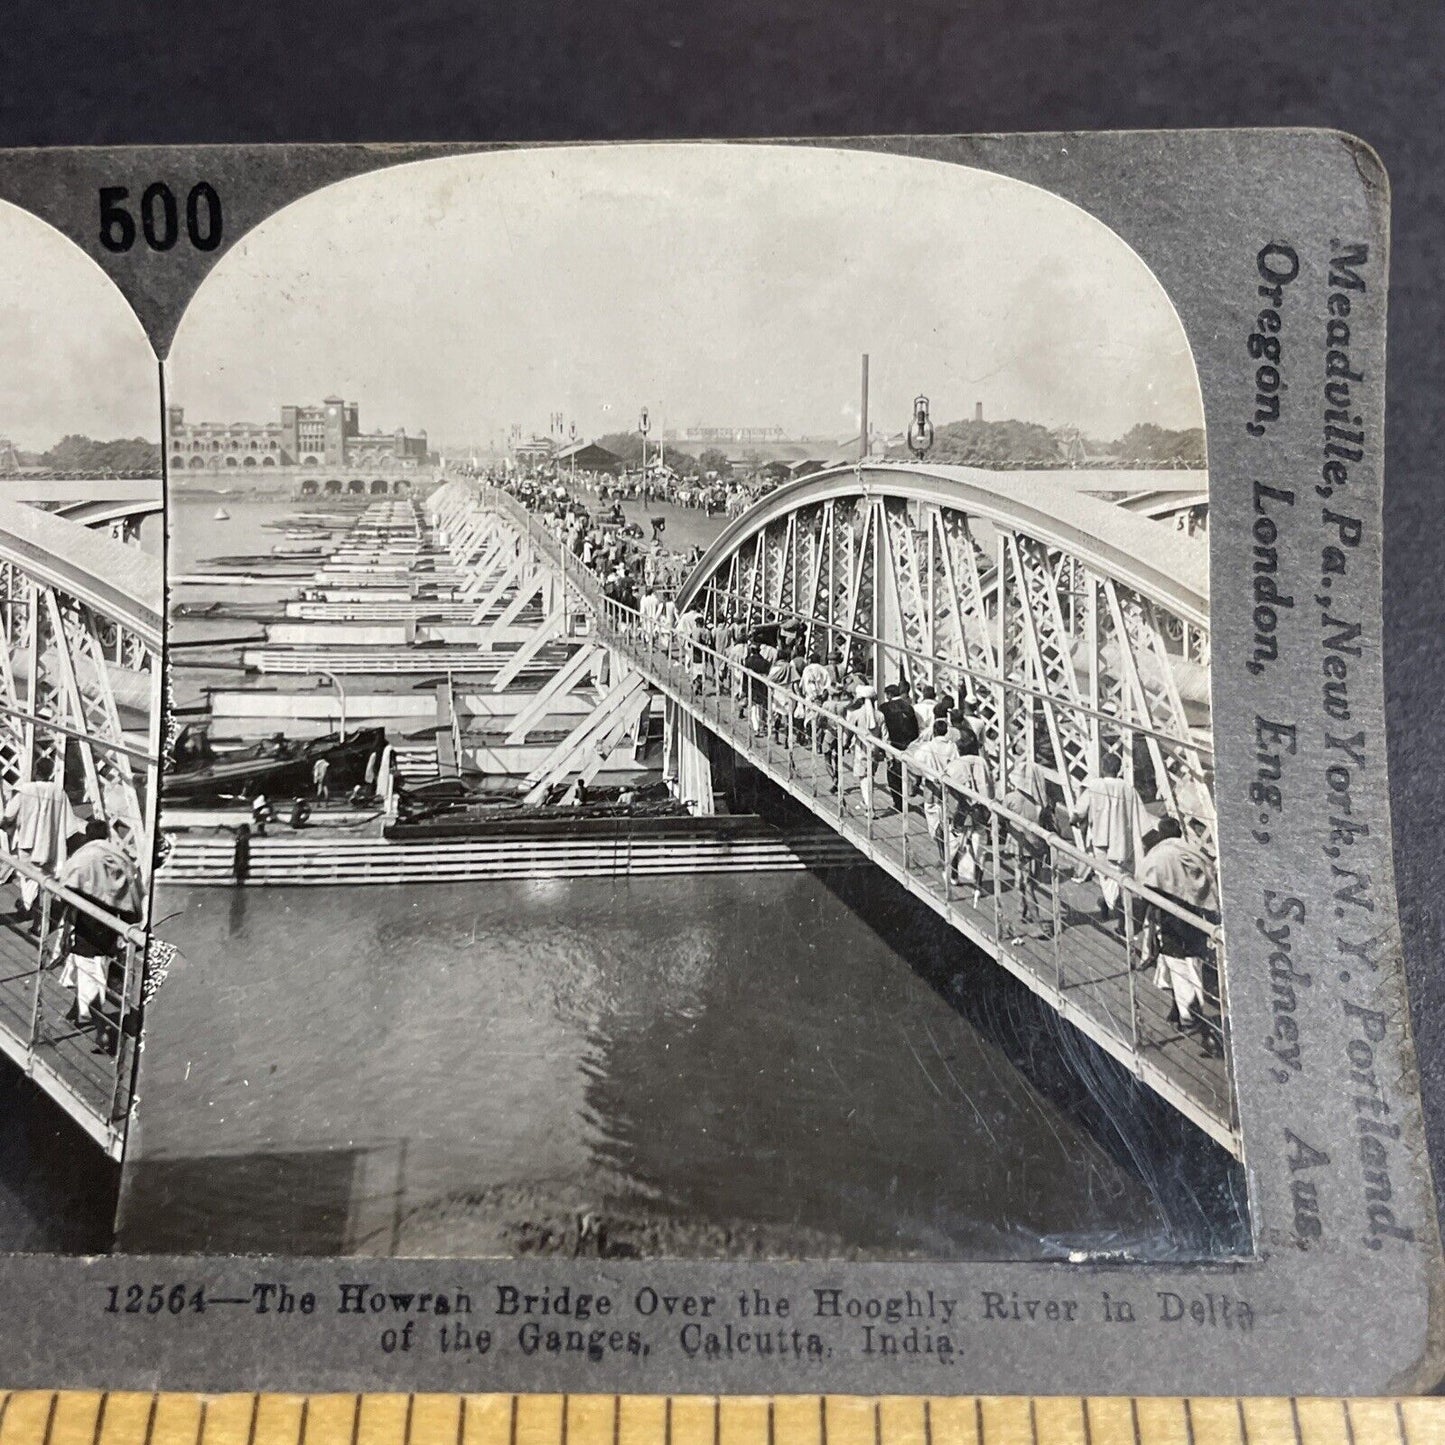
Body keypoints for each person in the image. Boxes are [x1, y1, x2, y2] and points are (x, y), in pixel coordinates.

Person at [58, 819, 142, 1054]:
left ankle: (101, 1031)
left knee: (88, 976)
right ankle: (75, 1011)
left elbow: (65, 888)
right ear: (107, 835)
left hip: (85, 926)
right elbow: (134, 890)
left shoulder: (81, 857)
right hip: (109, 926)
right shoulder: (119, 857)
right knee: (93, 971)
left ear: (86, 835)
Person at [1140, 818, 1221, 1055]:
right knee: (1191, 965)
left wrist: (1140, 920)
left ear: (1162, 834)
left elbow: (1145, 886)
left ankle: (1196, 1024)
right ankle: (1180, 1009)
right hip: (1194, 915)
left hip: (1171, 920)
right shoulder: (1190, 849)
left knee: (1177, 967)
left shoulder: (1160, 854)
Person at [1069, 752, 1149, 926]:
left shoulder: (1095, 786)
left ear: (1103, 768)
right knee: (1121, 878)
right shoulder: (1129, 789)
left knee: (1107, 878)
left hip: (1101, 842)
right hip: (1123, 842)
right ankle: (1118, 915)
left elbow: (1079, 811)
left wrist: (1074, 822)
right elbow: (1142, 819)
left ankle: (1111, 906)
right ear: (1118, 769)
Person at [2, 758, 78, 925]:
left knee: (29, 878)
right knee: (47, 881)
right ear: (51, 773)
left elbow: (8, 817)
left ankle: (33, 913)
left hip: (27, 844)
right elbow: (70, 824)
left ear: (36, 771)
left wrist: (8, 827)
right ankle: (40, 918)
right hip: (51, 845)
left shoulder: (24, 790)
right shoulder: (59, 792)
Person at [1002, 762, 1055, 940]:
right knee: (1029, 880)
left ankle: (1037, 922)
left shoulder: (1011, 798)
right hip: (1038, 847)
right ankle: (1022, 909)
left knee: (1027, 885)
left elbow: (1001, 819)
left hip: (1019, 845)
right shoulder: (1043, 801)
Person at [944, 728, 992, 901]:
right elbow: (989, 783)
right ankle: (978, 886)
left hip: (962, 811)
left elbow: (946, 783)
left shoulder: (954, 765)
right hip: (981, 811)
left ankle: (954, 876)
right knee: (980, 848)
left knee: (956, 844)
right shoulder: (982, 762)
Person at [909, 717, 958, 860]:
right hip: (949, 788)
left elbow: (915, 763)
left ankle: (943, 854)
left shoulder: (927, 747)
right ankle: (949, 853)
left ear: (934, 732)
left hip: (931, 788)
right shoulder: (952, 746)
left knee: (934, 821)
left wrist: (925, 774)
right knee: (947, 821)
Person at [879, 682, 921, 812]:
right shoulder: (908, 707)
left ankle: (898, 803)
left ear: (890, 695)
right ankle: (908, 794)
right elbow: (915, 727)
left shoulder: (884, 708)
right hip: (908, 744)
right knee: (906, 772)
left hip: (893, 744)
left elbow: (883, 728)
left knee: (892, 775)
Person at [844, 684, 882, 817]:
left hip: (861, 749)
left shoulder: (856, 714)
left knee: (864, 778)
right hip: (875, 750)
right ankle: (868, 803)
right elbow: (885, 735)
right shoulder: (880, 715)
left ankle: (869, 807)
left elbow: (848, 731)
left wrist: (845, 743)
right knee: (869, 777)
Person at [743, 638, 770, 737]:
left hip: (752, 687)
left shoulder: (748, 661)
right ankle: (762, 726)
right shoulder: (765, 662)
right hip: (762, 688)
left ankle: (756, 728)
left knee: (753, 709)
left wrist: (744, 690)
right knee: (761, 708)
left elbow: (745, 677)